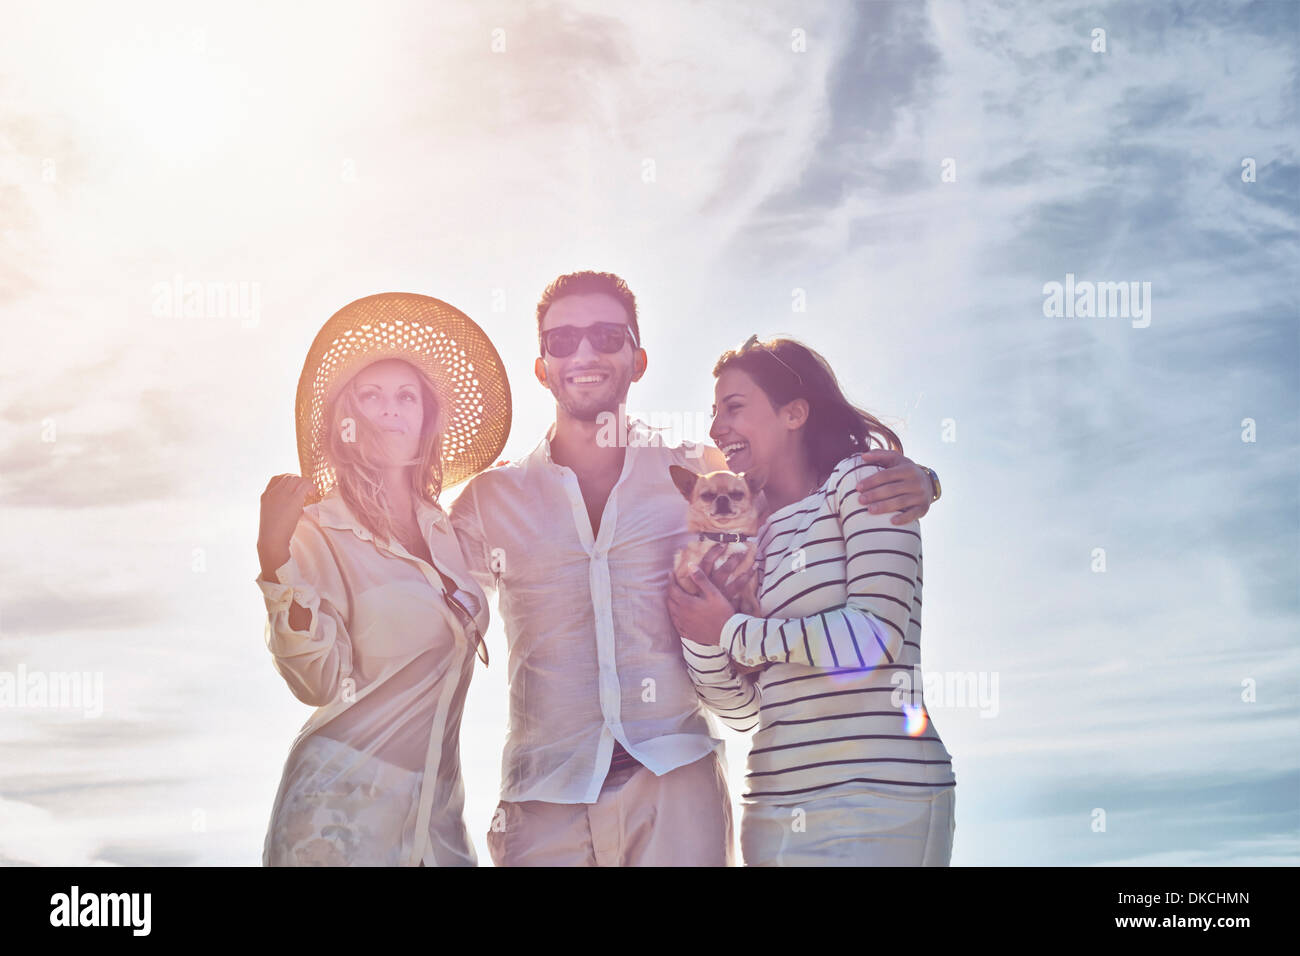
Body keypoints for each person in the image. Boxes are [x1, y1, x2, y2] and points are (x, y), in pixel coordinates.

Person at [447, 271, 942, 866]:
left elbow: (800, 495)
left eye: (607, 336)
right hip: (542, 803)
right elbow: (421, 597)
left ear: (638, 358)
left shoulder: (700, 475)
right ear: (541, 365)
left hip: (677, 792)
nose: (584, 352)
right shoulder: (489, 499)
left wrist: (921, 482)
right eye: (562, 340)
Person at [668, 334, 956, 866]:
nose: (715, 428)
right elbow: (744, 709)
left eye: (733, 407)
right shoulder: (747, 537)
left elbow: (872, 639)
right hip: (771, 809)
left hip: (878, 799)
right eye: (713, 413)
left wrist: (730, 631)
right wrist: (702, 638)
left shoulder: (863, 482)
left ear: (794, 413)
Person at [255, 292, 511, 866]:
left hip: (437, 819)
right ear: (346, 421)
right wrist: (274, 560)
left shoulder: (447, 530)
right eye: (370, 396)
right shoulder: (316, 528)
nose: (390, 409)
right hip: (336, 814)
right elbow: (316, 684)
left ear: (427, 418)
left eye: (405, 396)